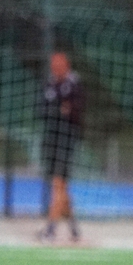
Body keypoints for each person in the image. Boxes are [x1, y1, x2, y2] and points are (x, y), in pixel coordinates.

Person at [40, 52, 85, 242]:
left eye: (58, 64)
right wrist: (58, 109)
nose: (55, 68)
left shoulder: (74, 85)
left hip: (66, 140)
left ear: (66, 65)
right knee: (60, 185)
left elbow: (76, 111)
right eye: (53, 64)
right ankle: (73, 227)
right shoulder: (49, 84)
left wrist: (62, 110)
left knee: (58, 184)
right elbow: (41, 109)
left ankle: (50, 229)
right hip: (51, 138)